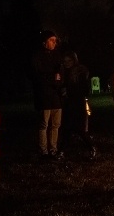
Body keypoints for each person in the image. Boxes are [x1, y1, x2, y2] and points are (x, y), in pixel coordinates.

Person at [31, 30, 64, 160]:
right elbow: (36, 75)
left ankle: (53, 149)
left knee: (55, 124)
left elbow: (61, 74)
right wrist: (53, 77)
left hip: (56, 96)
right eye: (51, 40)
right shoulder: (37, 56)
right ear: (44, 42)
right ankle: (43, 150)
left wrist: (59, 82)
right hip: (44, 95)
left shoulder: (57, 55)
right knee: (44, 124)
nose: (54, 42)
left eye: (55, 40)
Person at [61, 51, 97, 160]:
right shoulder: (63, 72)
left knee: (81, 129)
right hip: (68, 103)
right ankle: (61, 151)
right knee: (67, 128)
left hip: (78, 102)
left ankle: (92, 147)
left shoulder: (79, 72)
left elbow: (84, 89)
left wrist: (69, 91)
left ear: (74, 60)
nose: (67, 63)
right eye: (65, 61)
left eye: (69, 61)